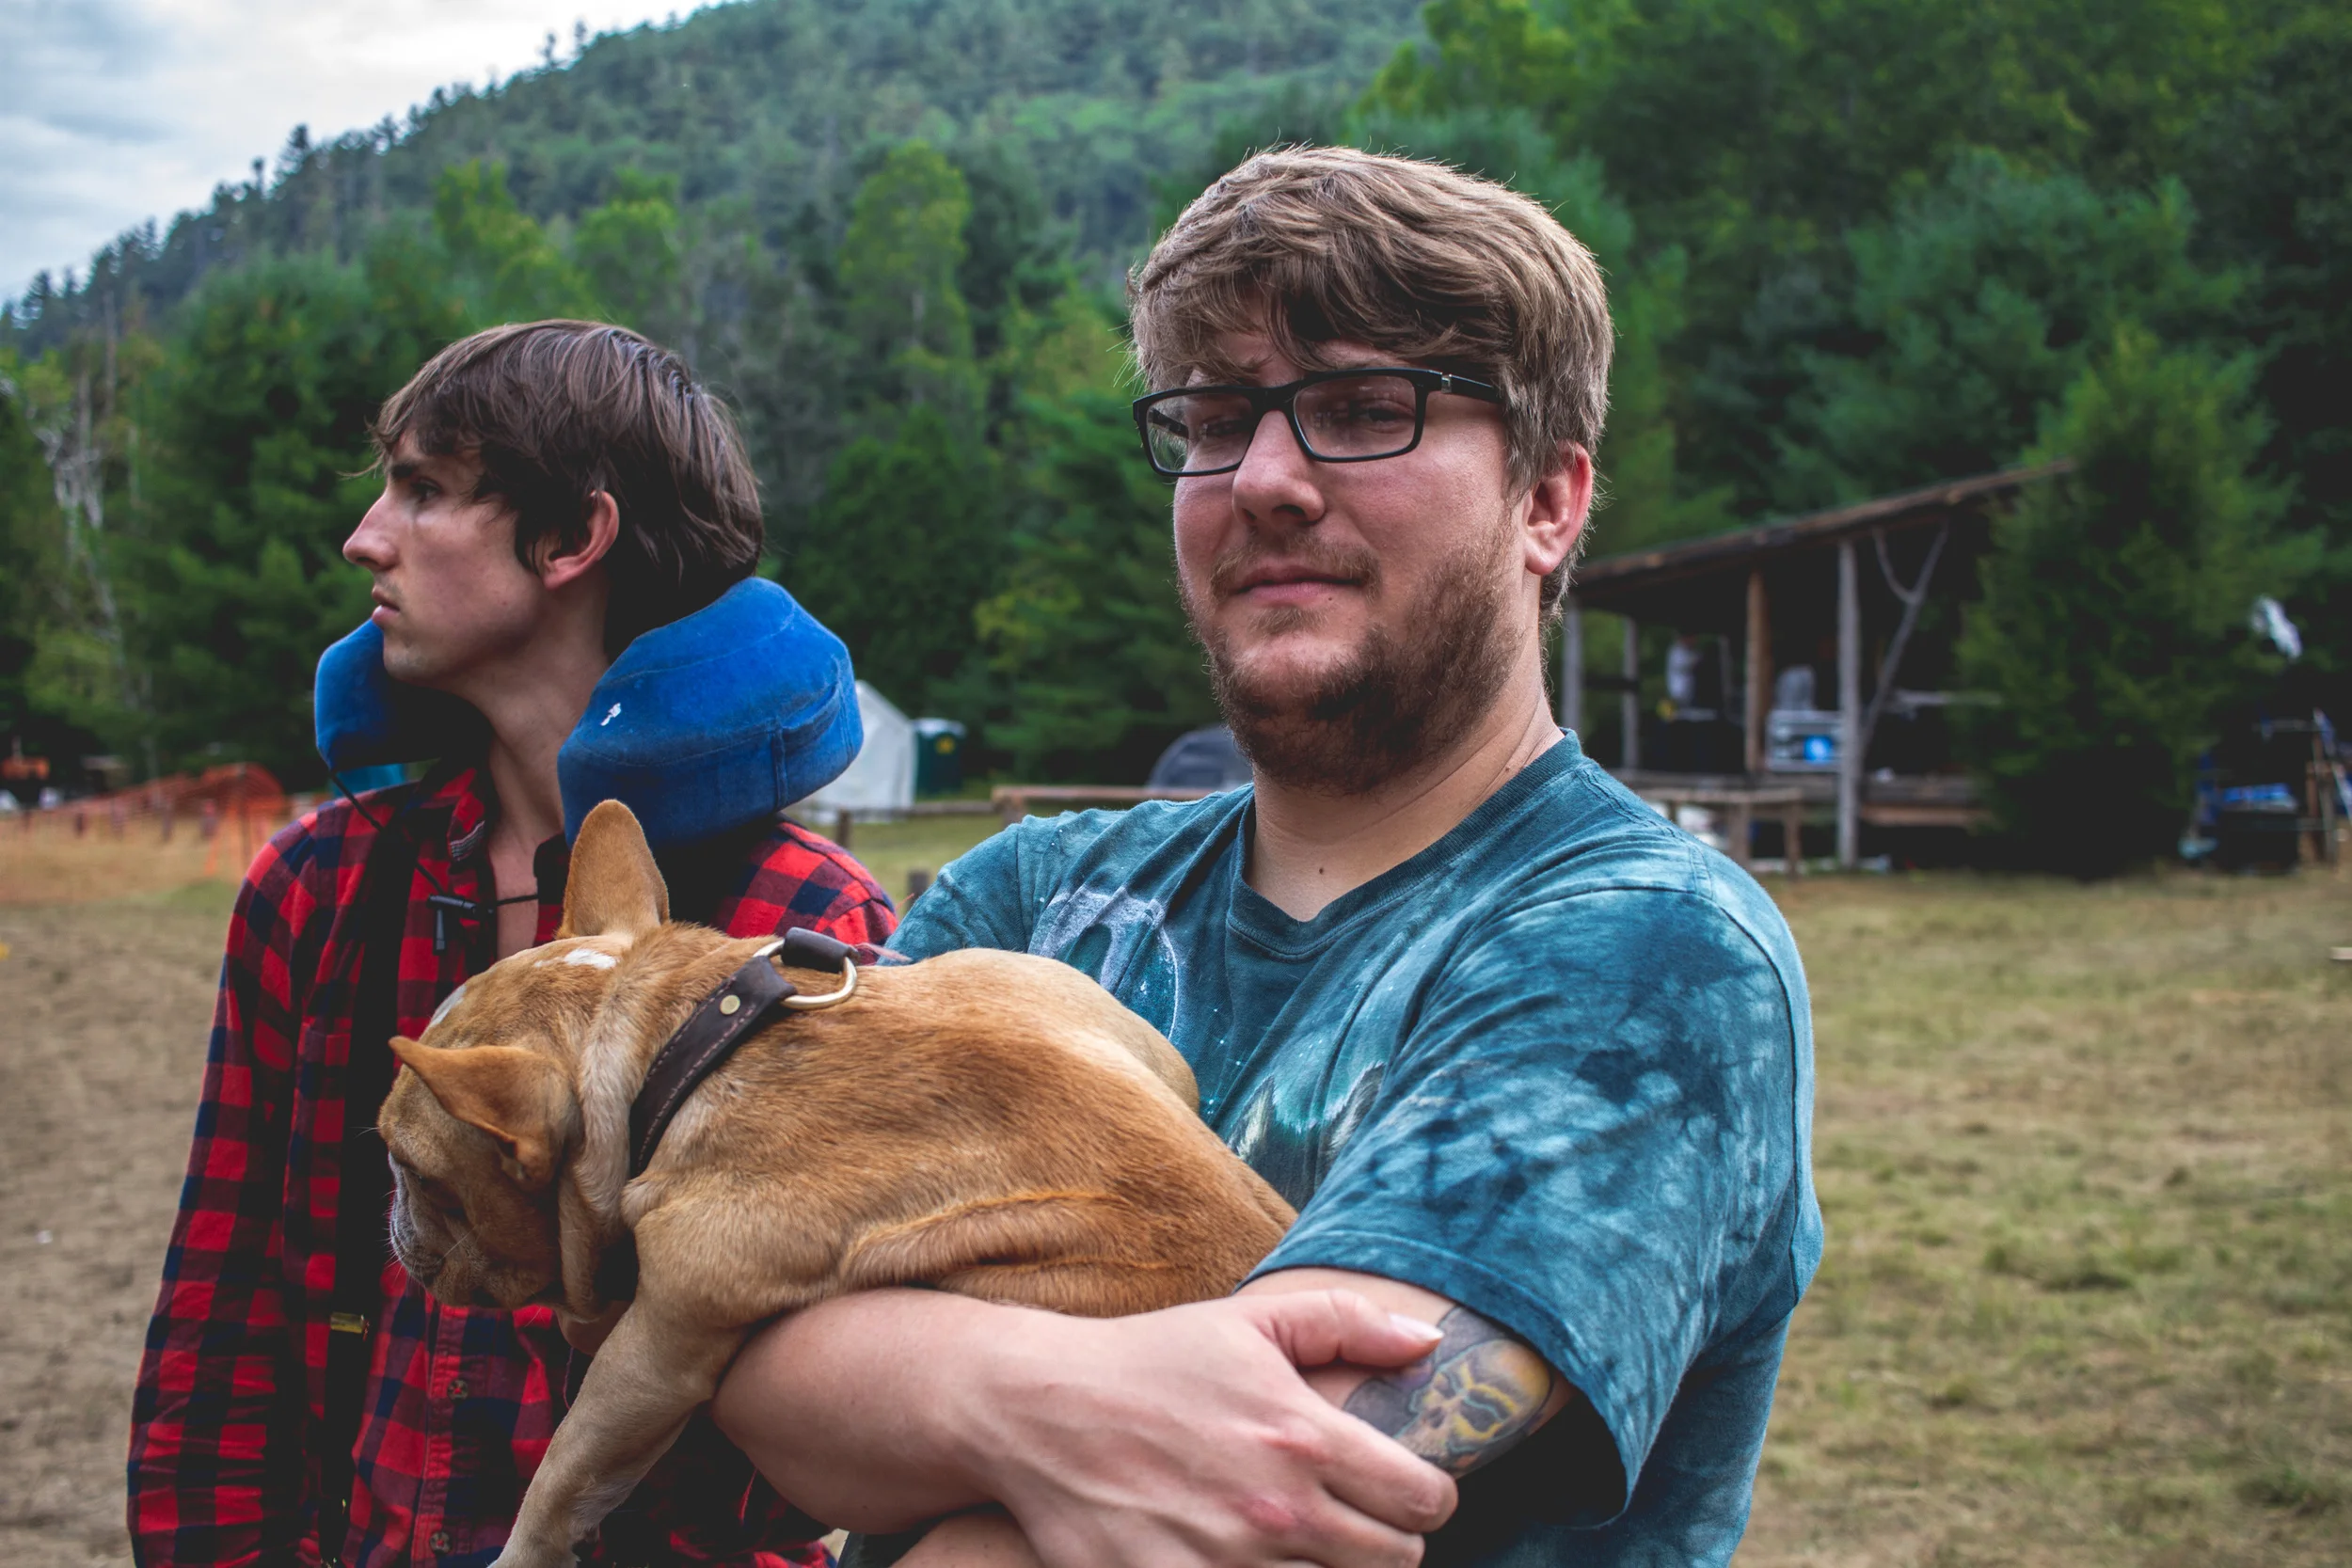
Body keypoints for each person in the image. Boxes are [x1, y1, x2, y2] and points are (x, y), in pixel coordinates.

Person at [712, 147, 1820, 1566]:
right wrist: (1024, 1410)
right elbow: (729, 1332)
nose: (1265, 479)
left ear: (1547, 501)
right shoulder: (1030, 900)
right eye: (1217, 419)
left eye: (1362, 409)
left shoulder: (1651, 952)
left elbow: (1274, 1481)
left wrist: (915, 1399)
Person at [128, 321, 896, 1568]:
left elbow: (819, 1449)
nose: (363, 537)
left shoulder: (802, 931)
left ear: (572, 537)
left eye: (424, 490)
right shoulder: (319, 890)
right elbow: (226, 1317)